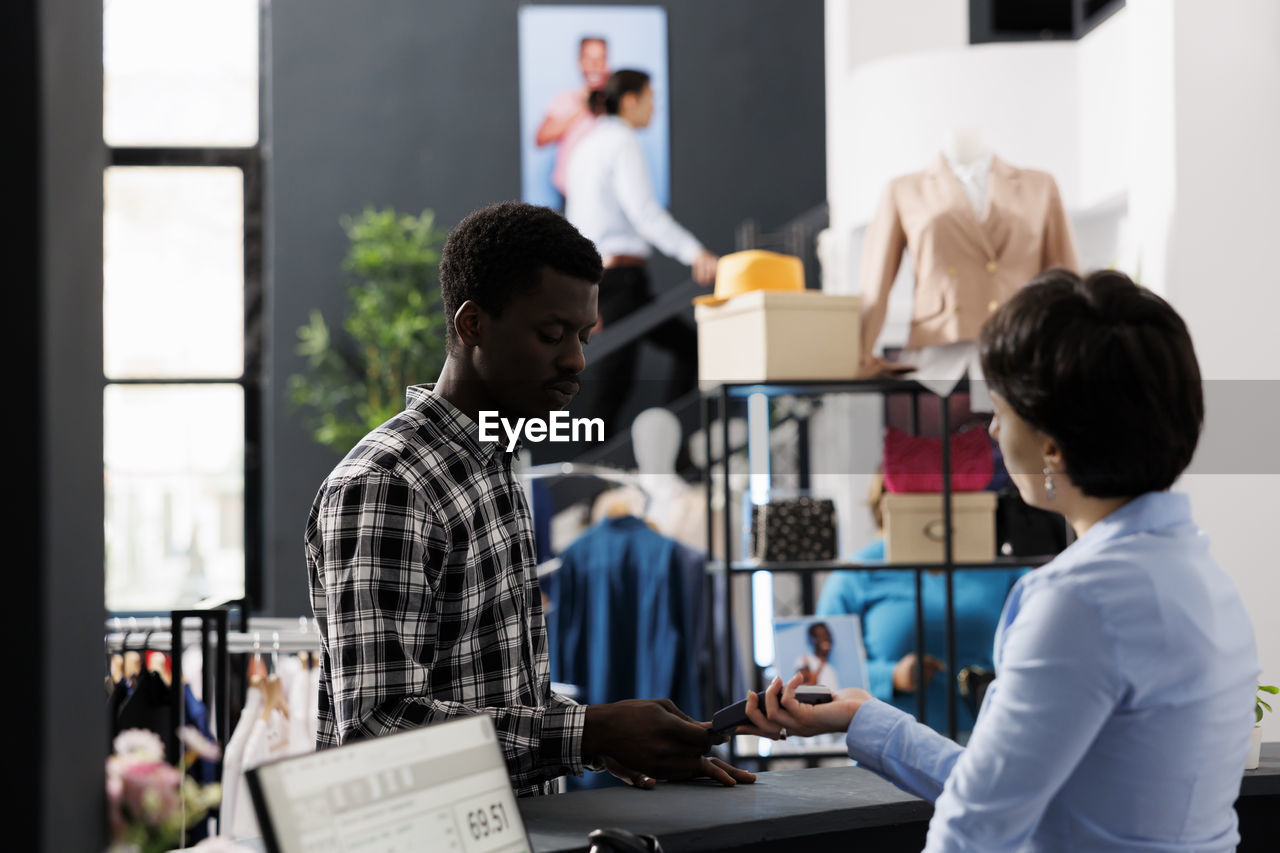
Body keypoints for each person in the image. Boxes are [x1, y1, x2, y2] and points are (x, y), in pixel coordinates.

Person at [741, 269, 1259, 851]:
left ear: (1052, 446)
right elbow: (1011, 786)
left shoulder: (1077, 598)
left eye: (1002, 411)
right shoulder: (1204, 577)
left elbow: (975, 827)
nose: (990, 430)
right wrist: (866, 717)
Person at [305, 201, 754, 797]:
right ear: (473, 326)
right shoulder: (388, 486)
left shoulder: (496, 466)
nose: (575, 360)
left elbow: (502, 694)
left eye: (583, 335)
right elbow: (379, 732)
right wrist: (588, 733)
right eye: (551, 334)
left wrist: (614, 742)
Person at [565, 69, 719, 437]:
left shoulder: (585, 146)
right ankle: (661, 453)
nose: (655, 107)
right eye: (652, 98)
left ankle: (664, 448)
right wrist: (695, 253)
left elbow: (575, 226)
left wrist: (583, 294)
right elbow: (644, 212)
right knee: (614, 384)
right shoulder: (622, 142)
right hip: (622, 281)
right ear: (631, 100)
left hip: (601, 282)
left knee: (628, 376)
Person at [817, 473, 1024, 737]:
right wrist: (892, 676)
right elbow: (824, 671)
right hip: (890, 745)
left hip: (990, 740)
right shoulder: (857, 573)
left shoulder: (1001, 569)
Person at [536, 36, 611, 208]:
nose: (595, 64)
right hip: (570, 196)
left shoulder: (615, 102)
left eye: (600, 59)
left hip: (606, 197)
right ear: (580, 62)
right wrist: (584, 106)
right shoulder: (565, 99)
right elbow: (541, 137)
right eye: (589, 58)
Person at [793, 621, 839, 689]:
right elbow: (802, 689)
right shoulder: (804, 660)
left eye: (827, 635)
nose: (826, 638)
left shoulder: (830, 668)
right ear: (811, 640)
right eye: (819, 636)